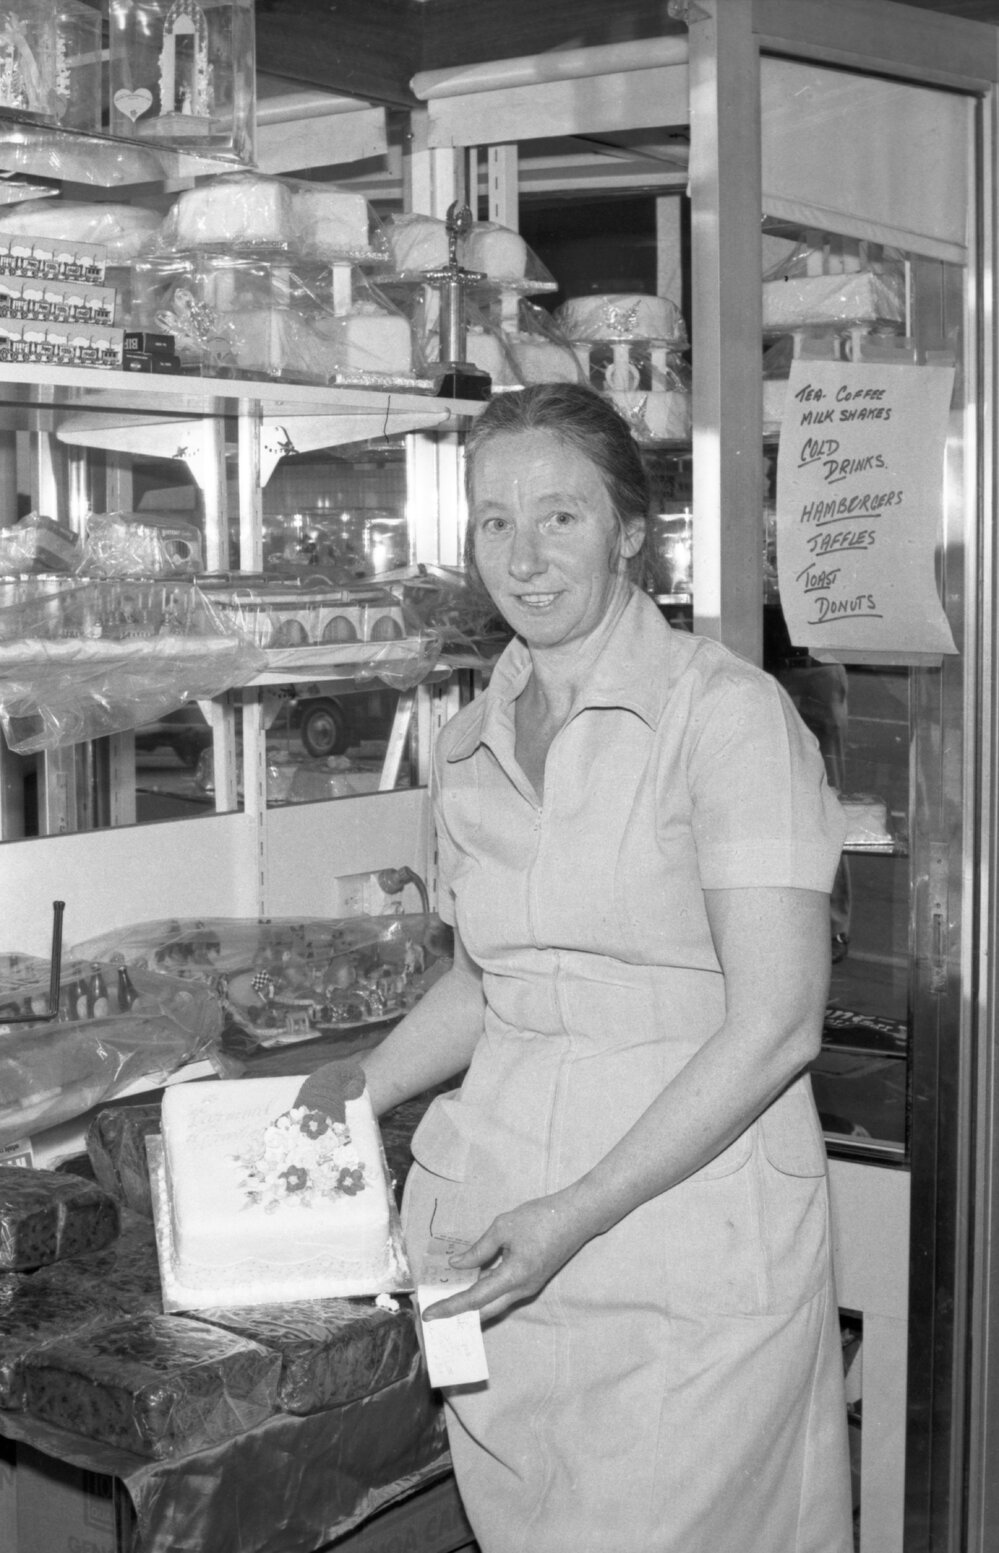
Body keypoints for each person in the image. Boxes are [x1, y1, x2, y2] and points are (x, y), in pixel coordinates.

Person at [303, 382, 853, 1553]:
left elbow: (778, 1023)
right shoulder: (471, 737)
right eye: (495, 521)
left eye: (560, 515)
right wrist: (355, 1086)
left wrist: (576, 1211)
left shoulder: (727, 718)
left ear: (629, 530)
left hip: (682, 1232)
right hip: (499, 1228)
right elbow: (491, 978)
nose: (524, 555)